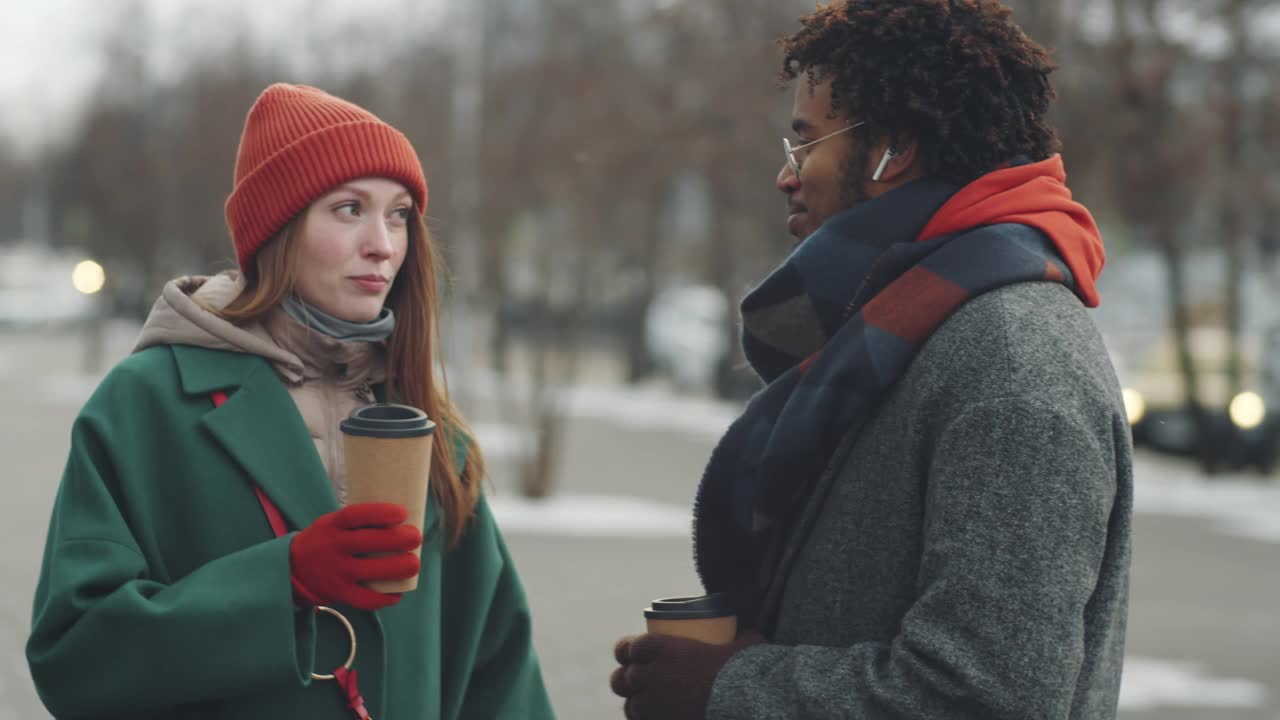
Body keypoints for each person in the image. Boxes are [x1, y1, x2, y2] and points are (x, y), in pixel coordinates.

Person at [610, 1, 1132, 718]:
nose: (785, 177)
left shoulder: (1013, 363)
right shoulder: (921, 322)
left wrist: (730, 689)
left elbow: (990, 695)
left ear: (893, 150)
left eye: (806, 143)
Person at [27, 83, 555, 720]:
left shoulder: (435, 434)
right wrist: (284, 581)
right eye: (349, 209)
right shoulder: (146, 405)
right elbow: (75, 658)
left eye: (399, 214)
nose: (383, 245)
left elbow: (499, 679)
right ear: (278, 230)